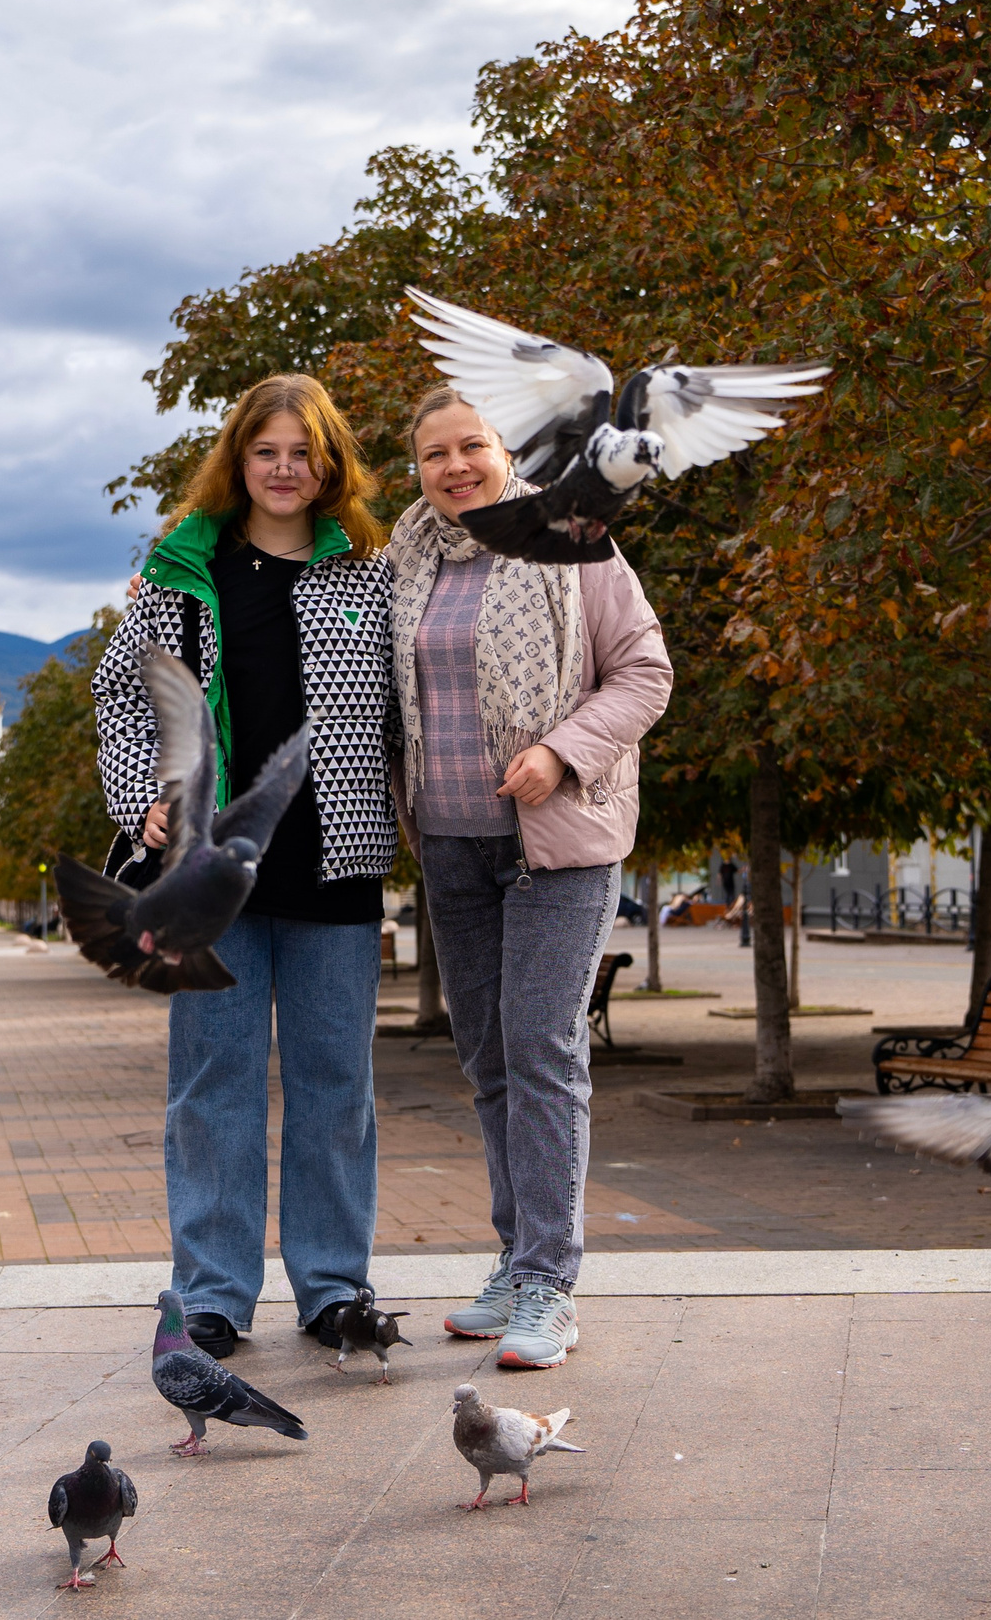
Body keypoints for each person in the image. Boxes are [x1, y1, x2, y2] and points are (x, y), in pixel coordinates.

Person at [92, 373, 395, 1360]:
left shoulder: (371, 574)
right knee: (213, 1084)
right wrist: (142, 791)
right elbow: (120, 697)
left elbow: (412, 699)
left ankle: (334, 1288)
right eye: (266, 451)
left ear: (329, 466)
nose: (284, 469)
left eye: (303, 453)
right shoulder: (183, 576)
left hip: (336, 863)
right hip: (207, 881)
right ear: (239, 460)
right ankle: (212, 1293)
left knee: (334, 1085)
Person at [388, 384, 672, 1369]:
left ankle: (551, 1283)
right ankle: (516, 1263)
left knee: (543, 1050)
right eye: (435, 454)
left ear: (506, 452)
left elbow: (644, 672)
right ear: (417, 469)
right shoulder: (407, 557)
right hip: (452, 843)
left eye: (472, 446)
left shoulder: (574, 538)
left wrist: (559, 752)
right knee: (489, 1060)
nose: (455, 466)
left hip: (558, 842)